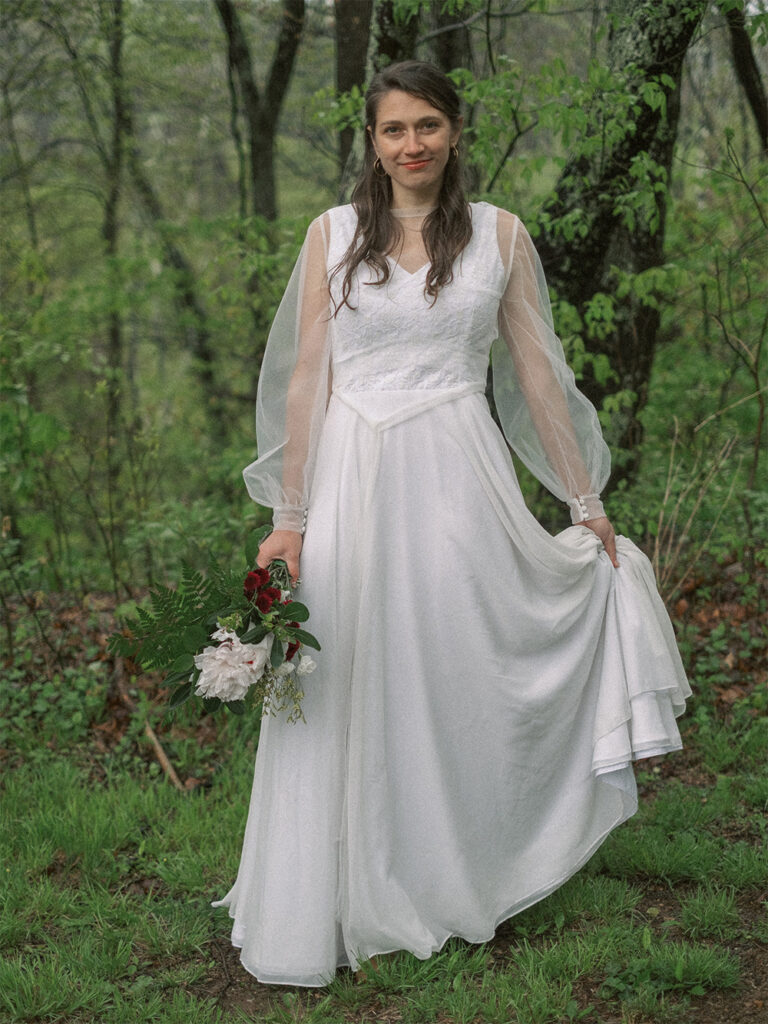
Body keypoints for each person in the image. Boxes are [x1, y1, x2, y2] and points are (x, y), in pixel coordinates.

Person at [213, 60, 690, 988]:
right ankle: (332, 884)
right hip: (353, 472)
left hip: (457, 472)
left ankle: (455, 867)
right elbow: (306, 380)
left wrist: (583, 499)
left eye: (427, 125)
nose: (412, 144)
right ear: (374, 142)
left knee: (452, 658)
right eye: (393, 130)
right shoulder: (333, 235)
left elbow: (537, 379)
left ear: (455, 131)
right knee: (346, 660)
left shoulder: (502, 236)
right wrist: (290, 515)